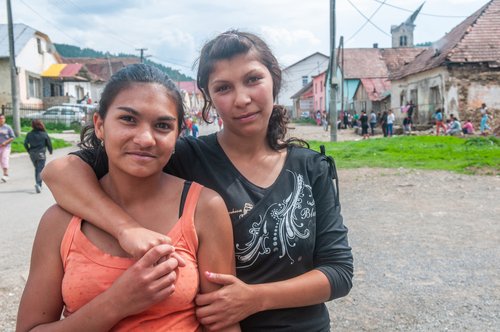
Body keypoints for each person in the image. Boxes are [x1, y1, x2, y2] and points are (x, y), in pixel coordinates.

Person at [42, 30, 353, 331]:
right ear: (208, 99)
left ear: (275, 81)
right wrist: (126, 229)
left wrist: (254, 298)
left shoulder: (311, 167)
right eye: (223, 88)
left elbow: (339, 272)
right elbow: (60, 172)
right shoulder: (181, 155)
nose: (242, 98)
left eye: (253, 79)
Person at [17, 64, 239, 331]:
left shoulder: (204, 208)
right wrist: (116, 303)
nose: (145, 139)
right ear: (99, 125)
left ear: (178, 135)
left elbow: (224, 323)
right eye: (128, 119)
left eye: (162, 125)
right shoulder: (60, 221)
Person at [23, 119, 53, 193]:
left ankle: (39, 184)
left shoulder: (29, 134)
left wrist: (29, 151)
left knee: (37, 169)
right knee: (40, 169)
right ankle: (38, 184)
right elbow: (49, 143)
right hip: (41, 154)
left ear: (32, 126)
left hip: (32, 154)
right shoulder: (44, 134)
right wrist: (50, 150)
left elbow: (25, 143)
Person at [0, 114, 15, 182]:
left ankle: (5, 175)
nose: (1, 120)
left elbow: (12, 137)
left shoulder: (8, 127)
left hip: (6, 147)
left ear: (5, 119)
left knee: (4, 159)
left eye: (2, 118)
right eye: (0, 118)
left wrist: (5, 142)